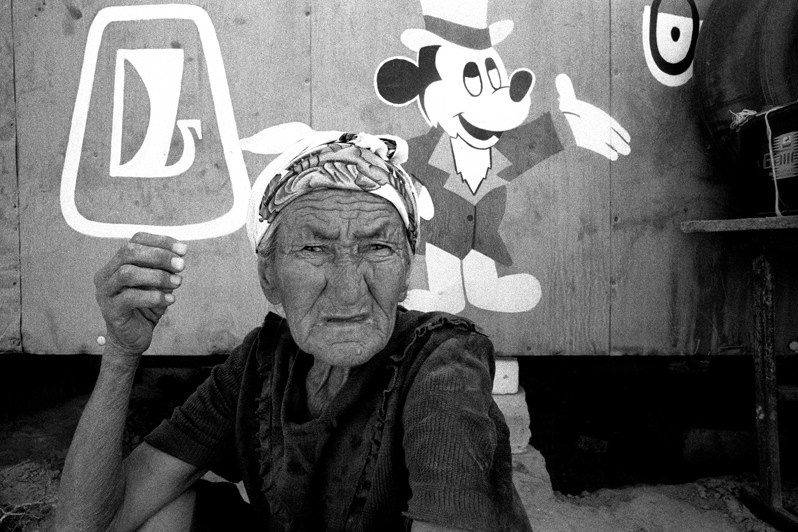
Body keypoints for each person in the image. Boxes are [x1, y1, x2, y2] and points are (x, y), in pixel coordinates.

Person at [55, 123, 533, 531]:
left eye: (377, 248)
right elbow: (90, 524)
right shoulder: (261, 365)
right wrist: (120, 352)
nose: (349, 292)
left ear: (406, 271)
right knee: (165, 512)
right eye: (314, 249)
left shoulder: (444, 361)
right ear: (270, 277)